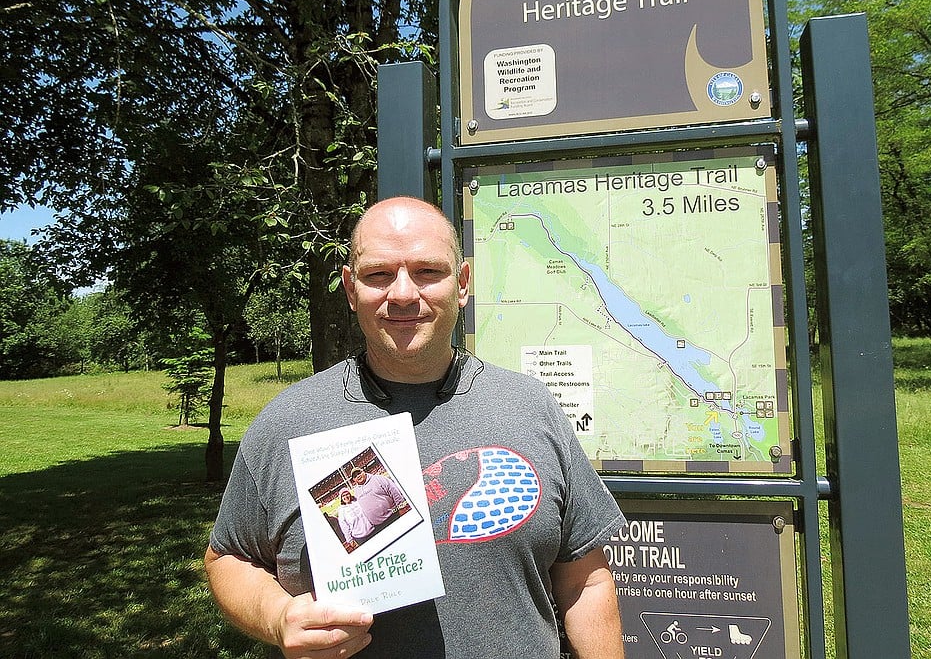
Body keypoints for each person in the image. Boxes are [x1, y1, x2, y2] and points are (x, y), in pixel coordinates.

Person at [204, 196, 626, 659]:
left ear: (462, 283)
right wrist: (276, 616)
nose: (403, 294)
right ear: (350, 288)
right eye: (378, 275)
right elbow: (228, 557)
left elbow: (585, 580)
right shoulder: (288, 421)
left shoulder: (530, 407)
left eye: (427, 272)